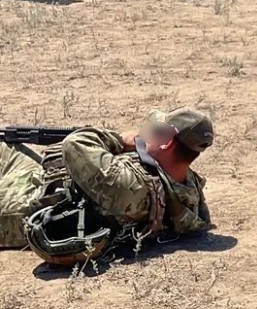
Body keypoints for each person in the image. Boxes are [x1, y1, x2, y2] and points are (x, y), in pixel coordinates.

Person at [0, 108, 214, 258]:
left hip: (25, 206)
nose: (147, 135)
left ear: (166, 143)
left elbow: (74, 144)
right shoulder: (184, 182)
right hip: (45, 180)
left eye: (157, 132)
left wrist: (122, 140)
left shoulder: (130, 186)